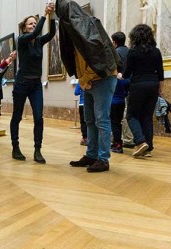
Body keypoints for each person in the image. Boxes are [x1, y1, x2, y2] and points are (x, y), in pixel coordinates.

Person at [56, 0, 121, 172]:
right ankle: (91, 154)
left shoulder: (91, 25)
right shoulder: (75, 32)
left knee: (102, 119)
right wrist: (83, 79)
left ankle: (103, 159)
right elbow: (79, 60)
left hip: (103, 78)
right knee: (90, 119)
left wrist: (85, 79)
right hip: (89, 80)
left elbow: (100, 57)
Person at [10, 2, 56, 164]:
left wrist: (51, 16)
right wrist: (45, 13)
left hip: (36, 84)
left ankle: (38, 149)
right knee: (17, 116)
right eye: (30, 23)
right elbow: (37, 32)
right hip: (21, 83)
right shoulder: (22, 40)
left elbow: (51, 34)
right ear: (24, 27)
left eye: (35, 23)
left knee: (39, 117)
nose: (33, 26)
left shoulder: (38, 41)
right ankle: (15, 147)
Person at [119, 24, 164, 157]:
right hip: (153, 85)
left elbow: (127, 73)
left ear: (135, 36)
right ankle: (148, 149)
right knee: (147, 116)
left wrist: (120, 75)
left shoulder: (132, 51)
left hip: (138, 85)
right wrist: (160, 90)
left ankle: (140, 142)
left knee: (131, 115)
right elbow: (160, 73)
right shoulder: (156, 51)